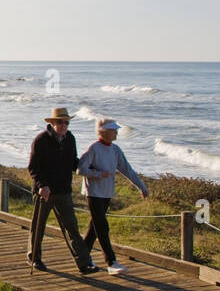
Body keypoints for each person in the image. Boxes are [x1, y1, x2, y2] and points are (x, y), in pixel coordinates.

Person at [27, 107, 99, 275]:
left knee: (72, 228)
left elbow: (73, 162)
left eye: (66, 122)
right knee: (38, 226)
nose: (64, 125)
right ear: (52, 123)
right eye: (60, 122)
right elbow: (33, 167)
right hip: (44, 191)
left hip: (63, 191)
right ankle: (34, 258)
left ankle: (84, 263)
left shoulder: (70, 139)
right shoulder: (41, 140)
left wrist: (90, 168)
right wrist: (42, 185)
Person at [78, 118, 149, 275]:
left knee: (94, 228)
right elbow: (80, 169)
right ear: (103, 132)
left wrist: (141, 186)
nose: (116, 132)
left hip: (107, 193)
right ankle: (111, 262)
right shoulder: (93, 148)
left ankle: (81, 257)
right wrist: (97, 174)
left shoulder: (115, 150)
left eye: (116, 130)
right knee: (102, 226)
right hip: (94, 193)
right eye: (113, 130)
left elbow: (127, 170)